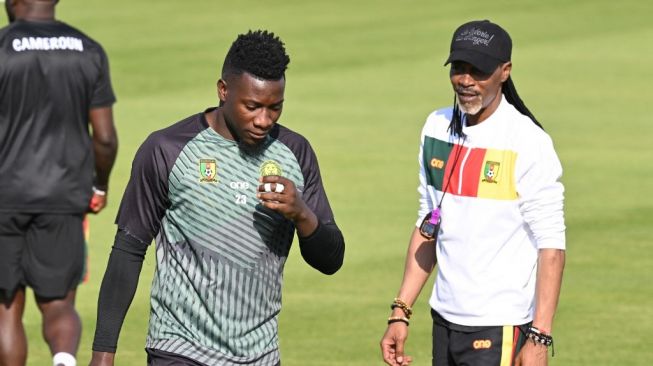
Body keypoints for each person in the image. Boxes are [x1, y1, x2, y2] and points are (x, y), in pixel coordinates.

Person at [89, 30, 345, 366]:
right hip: (179, 350)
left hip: (260, 355)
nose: (263, 119)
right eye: (252, 106)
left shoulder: (295, 153)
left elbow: (331, 260)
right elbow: (128, 249)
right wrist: (103, 354)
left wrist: (302, 214)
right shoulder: (167, 149)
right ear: (223, 91)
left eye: (275, 107)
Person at [380, 20, 566, 366]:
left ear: (504, 71)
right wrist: (400, 310)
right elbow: (428, 223)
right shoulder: (436, 126)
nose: (466, 80)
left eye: (478, 71)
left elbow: (551, 246)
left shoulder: (527, 142)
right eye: (459, 68)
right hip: (444, 320)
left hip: (499, 325)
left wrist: (539, 337)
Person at [0, 0, 118, 365]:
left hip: (5, 197)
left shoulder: (2, 47)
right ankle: (64, 359)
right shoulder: (88, 49)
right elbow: (104, 137)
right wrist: (99, 185)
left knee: (6, 309)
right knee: (59, 303)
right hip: (65, 197)